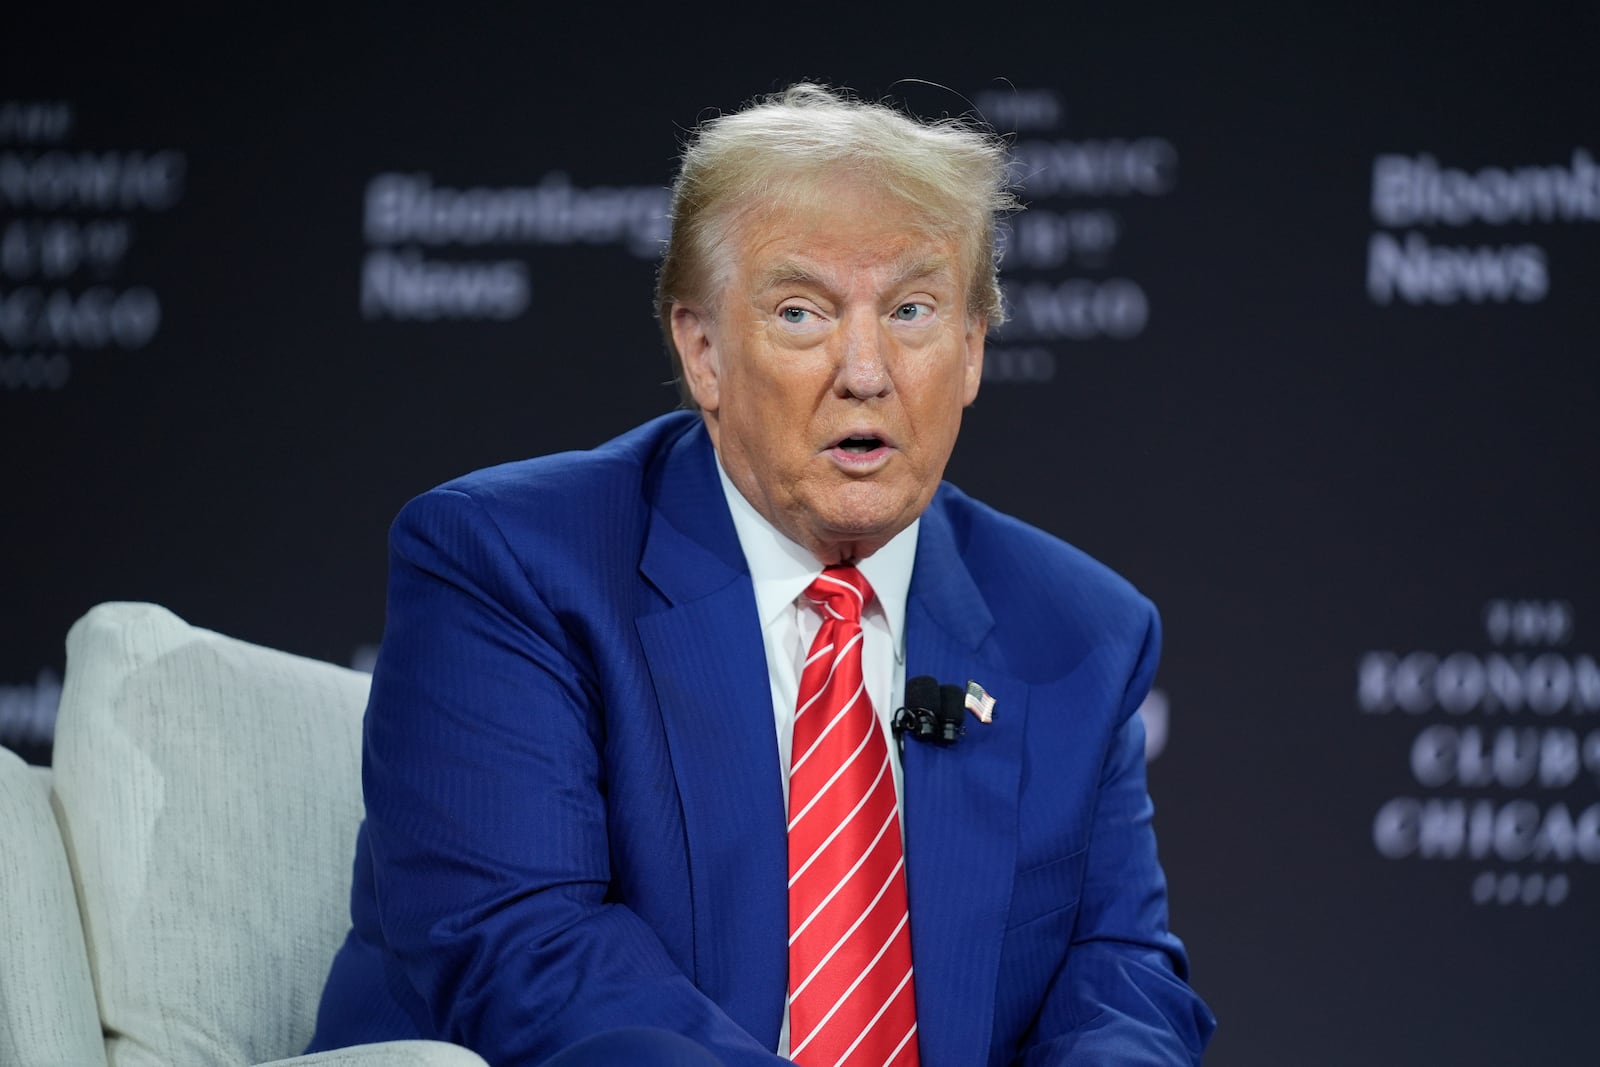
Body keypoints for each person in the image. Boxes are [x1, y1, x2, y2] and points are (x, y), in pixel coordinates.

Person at [308, 83, 1215, 1066]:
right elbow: (526, 949)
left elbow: (1115, 972)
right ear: (701, 349)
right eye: (800, 312)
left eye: (912, 309)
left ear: (970, 350)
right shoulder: (518, 565)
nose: (865, 370)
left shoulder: (1076, 630)